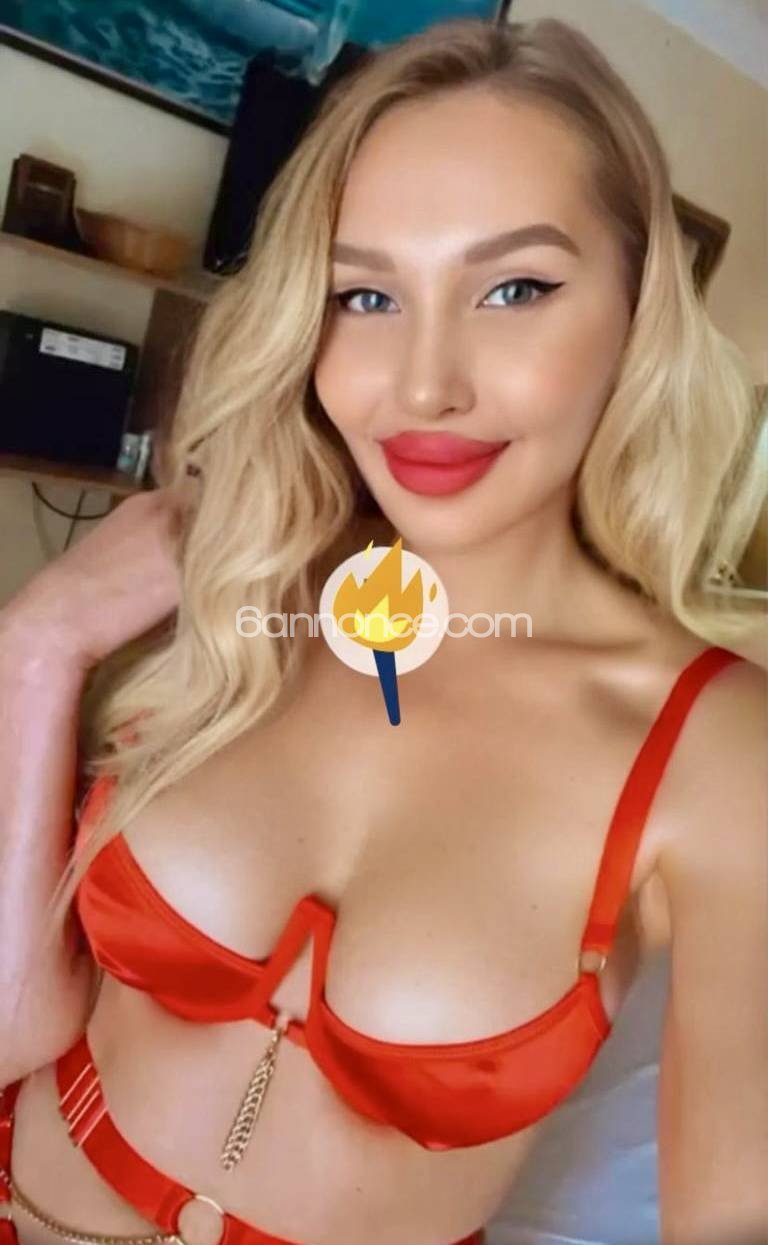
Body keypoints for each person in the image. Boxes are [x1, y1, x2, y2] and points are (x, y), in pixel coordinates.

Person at [1, 16, 766, 1245]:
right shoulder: (239, 581)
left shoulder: (718, 750)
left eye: (514, 289)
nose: (421, 385)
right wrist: (35, 649)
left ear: (637, 310)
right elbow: (15, 1025)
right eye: (365, 294)